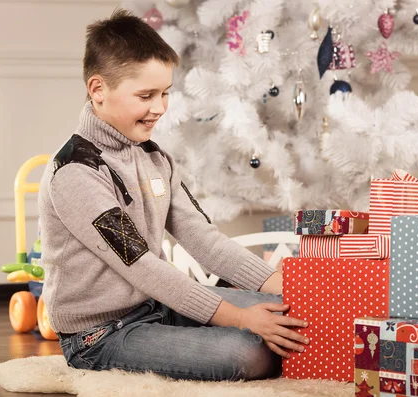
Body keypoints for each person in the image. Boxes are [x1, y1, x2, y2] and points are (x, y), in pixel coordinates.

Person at [38, 8, 309, 381]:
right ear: (98, 89)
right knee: (249, 353)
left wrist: (287, 287)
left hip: (156, 305)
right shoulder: (76, 173)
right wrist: (243, 319)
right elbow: (143, 267)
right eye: (146, 95)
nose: (160, 108)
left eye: (165, 93)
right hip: (100, 335)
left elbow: (203, 238)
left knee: (291, 313)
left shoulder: (154, 157)